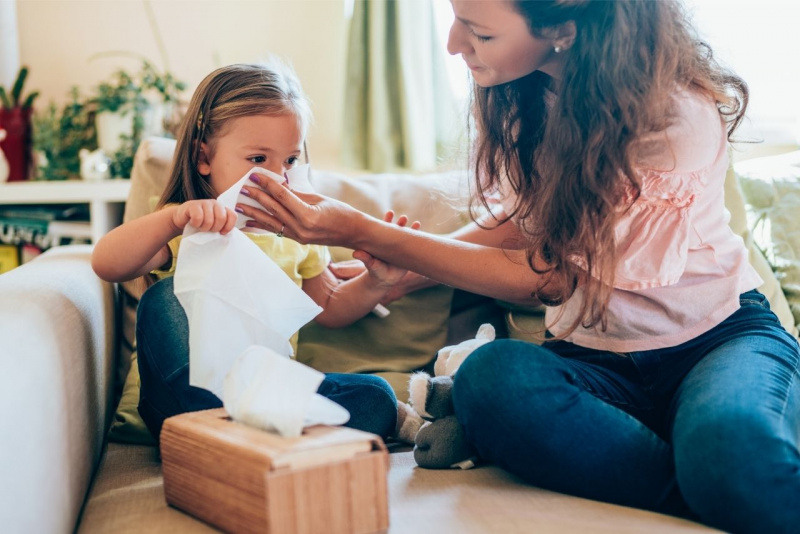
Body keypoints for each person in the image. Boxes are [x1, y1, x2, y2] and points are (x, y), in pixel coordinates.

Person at [233, 2, 800, 532]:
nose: (455, 45)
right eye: (456, 20)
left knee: (733, 453)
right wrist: (406, 270)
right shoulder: (530, 98)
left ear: (564, 30)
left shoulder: (671, 118)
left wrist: (359, 229)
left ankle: (717, 471)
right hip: (594, 360)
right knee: (491, 377)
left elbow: (549, 276)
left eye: (480, 32)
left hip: (714, 342)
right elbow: (527, 222)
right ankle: (704, 475)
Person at [91, 63, 414, 441]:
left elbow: (329, 305)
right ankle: (217, 429)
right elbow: (106, 263)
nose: (277, 177)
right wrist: (174, 220)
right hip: (180, 403)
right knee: (165, 299)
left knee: (377, 397)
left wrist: (376, 282)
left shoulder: (298, 235)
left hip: (263, 396)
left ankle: (249, 436)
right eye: (258, 160)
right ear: (203, 158)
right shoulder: (187, 222)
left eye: (290, 161)